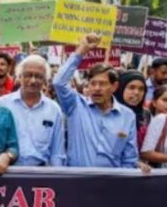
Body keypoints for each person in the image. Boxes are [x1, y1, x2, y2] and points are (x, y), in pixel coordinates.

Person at [53, 34, 140, 169]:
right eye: (93, 83)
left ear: (114, 86)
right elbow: (59, 82)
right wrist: (81, 51)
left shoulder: (127, 116)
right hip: (76, 183)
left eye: (102, 84)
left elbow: (129, 158)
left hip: (110, 185)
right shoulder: (75, 105)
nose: (96, 89)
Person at [0, 55, 65, 167]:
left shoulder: (54, 109)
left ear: (45, 80)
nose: (33, 81)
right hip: (7, 173)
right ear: (19, 76)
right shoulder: (1, 105)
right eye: (28, 75)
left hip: (40, 175)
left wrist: (58, 178)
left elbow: (57, 153)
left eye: (38, 76)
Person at [116, 70, 152, 149]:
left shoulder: (145, 114)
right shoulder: (111, 112)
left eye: (141, 89)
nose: (136, 92)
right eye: (131, 87)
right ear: (121, 88)